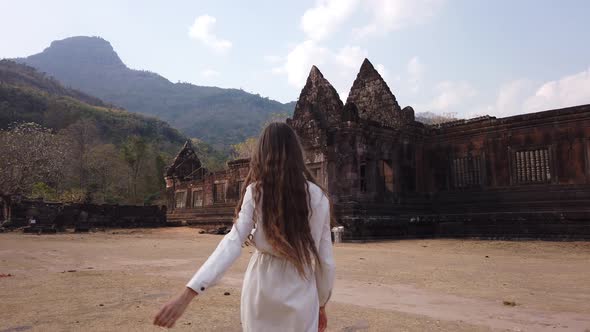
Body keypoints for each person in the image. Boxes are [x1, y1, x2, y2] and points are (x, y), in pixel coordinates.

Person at [154, 122, 336, 331]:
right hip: (302, 288)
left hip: (261, 287)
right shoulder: (319, 197)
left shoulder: (256, 192)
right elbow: (326, 261)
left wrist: (189, 293)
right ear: (297, 152)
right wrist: (321, 304)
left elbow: (232, 243)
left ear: (262, 153)